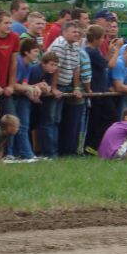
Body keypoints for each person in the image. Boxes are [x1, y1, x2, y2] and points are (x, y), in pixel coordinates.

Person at [46, 21, 84, 156]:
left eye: (78, 31)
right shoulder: (59, 45)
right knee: (52, 119)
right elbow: (55, 67)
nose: (77, 33)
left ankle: (67, 150)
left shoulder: (75, 45)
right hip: (57, 84)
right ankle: (51, 152)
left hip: (68, 84)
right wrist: (54, 88)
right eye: (74, 31)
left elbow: (76, 67)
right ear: (64, 32)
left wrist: (76, 87)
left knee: (65, 117)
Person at [85, 25, 121, 155]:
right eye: (101, 38)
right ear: (95, 38)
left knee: (99, 120)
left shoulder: (94, 51)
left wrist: (109, 51)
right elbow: (110, 65)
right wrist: (117, 50)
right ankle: (92, 145)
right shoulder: (91, 51)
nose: (103, 41)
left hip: (101, 90)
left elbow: (103, 63)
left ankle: (91, 146)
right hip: (98, 92)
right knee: (111, 118)